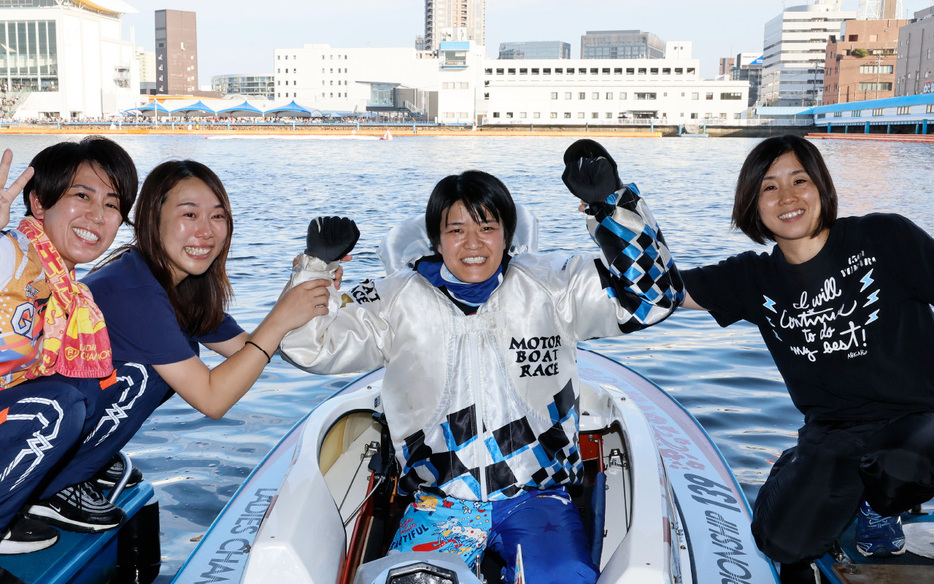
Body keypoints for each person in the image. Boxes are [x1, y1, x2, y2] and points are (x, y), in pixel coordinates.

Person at [279, 140, 683, 584]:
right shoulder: (393, 298)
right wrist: (316, 266)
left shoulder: (554, 284)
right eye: (456, 230)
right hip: (439, 501)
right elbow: (308, 347)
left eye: (487, 227)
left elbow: (655, 297)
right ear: (436, 238)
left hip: (540, 498)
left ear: (507, 234)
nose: (472, 244)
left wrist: (612, 204)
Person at [18, 160, 329, 543]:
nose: (206, 230)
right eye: (189, 214)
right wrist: (281, 318)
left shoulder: (173, 281)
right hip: (41, 423)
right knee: (148, 374)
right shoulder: (135, 290)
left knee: (177, 355)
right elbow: (212, 399)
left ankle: (85, 460)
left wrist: (306, 285)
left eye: (217, 216)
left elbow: (247, 349)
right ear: (152, 219)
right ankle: (55, 485)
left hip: (74, 410)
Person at [680, 135, 934, 582]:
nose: (788, 197)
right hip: (833, 433)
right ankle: (799, 466)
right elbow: (660, 291)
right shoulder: (752, 277)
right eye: (769, 187)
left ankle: (879, 504)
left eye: (800, 180)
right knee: (781, 542)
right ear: (752, 204)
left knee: (900, 468)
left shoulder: (884, 237)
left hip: (919, 419)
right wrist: (612, 211)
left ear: (821, 186)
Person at [0, 137, 138, 558]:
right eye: (82, 195)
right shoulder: (12, 252)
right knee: (57, 407)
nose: (98, 216)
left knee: (118, 377)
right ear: (38, 204)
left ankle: (47, 490)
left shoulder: (65, 286)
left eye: (112, 205)